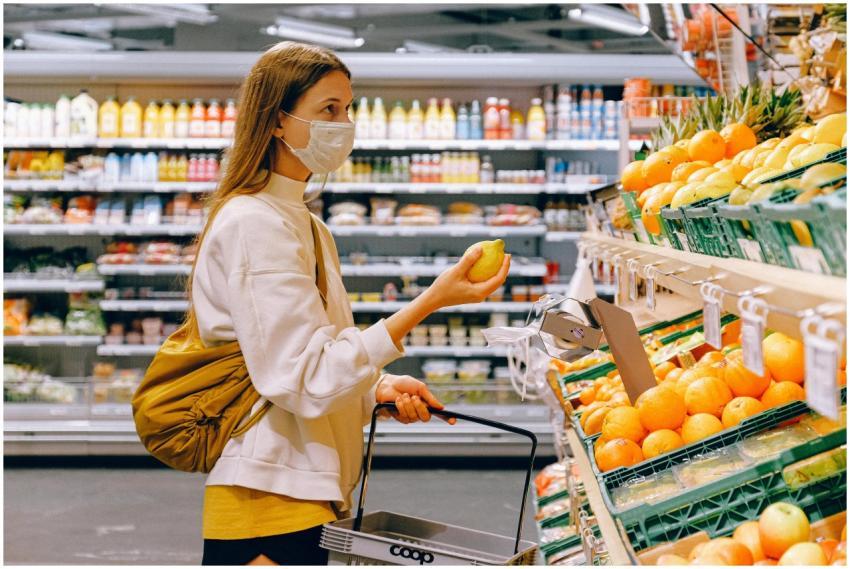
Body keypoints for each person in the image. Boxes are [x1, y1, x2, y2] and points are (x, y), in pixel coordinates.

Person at [190, 41, 511, 565]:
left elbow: (309, 359)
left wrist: (372, 389)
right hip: (268, 499)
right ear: (276, 121)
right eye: (329, 110)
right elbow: (301, 376)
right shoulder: (255, 223)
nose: (345, 124)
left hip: (304, 490)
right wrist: (430, 301)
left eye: (348, 109)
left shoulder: (305, 224)